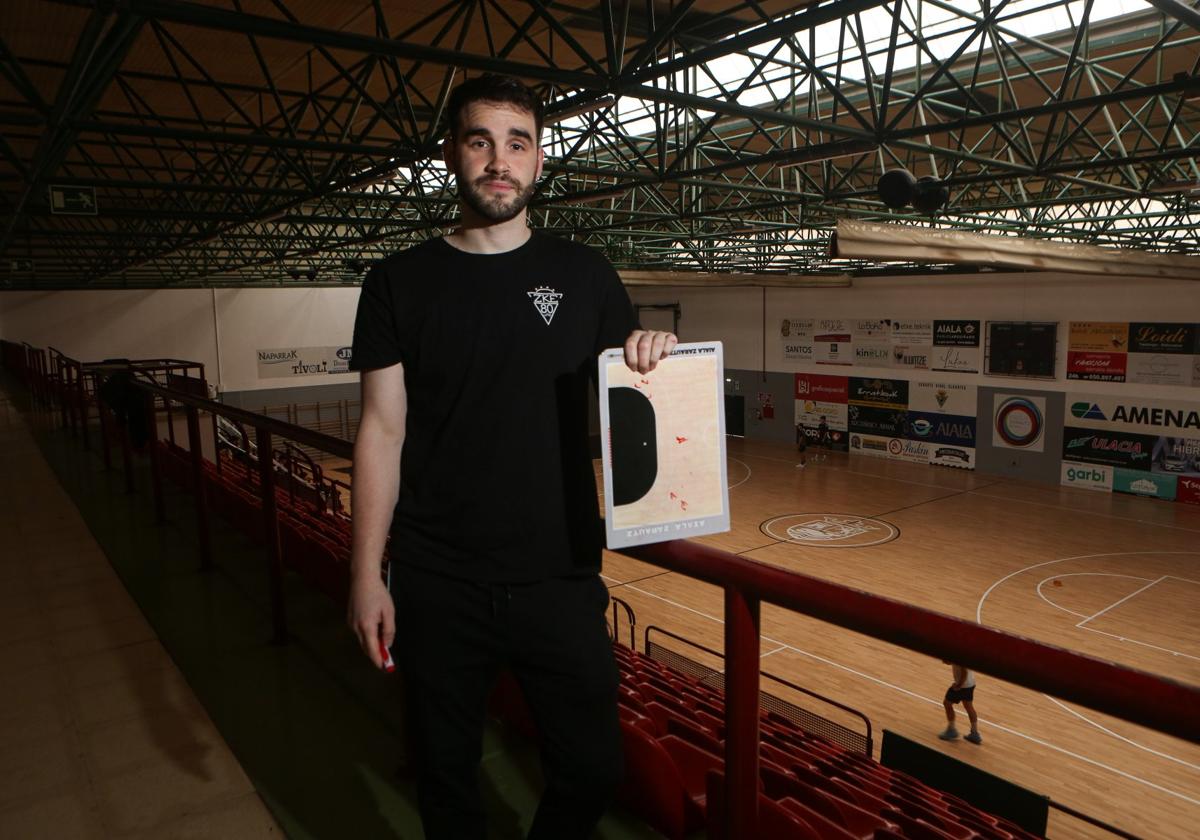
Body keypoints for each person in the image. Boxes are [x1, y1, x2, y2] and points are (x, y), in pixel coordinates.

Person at [345, 74, 677, 840]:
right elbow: (381, 432)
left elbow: (627, 412)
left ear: (537, 161)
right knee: (443, 777)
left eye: (517, 143)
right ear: (452, 154)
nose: (500, 159)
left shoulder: (586, 275)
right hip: (436, 579)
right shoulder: (397, 281)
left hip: (557, 575)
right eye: (480, 140)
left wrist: (652, 357)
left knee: (592, 767)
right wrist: (366, 574)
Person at [939, 662, 982, 744]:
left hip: (963, 685)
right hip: (970, 683)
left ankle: (951, 730)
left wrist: (959, 685)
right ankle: (975, 733)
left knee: (947, 703)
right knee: (969, 707)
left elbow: (964, 671)